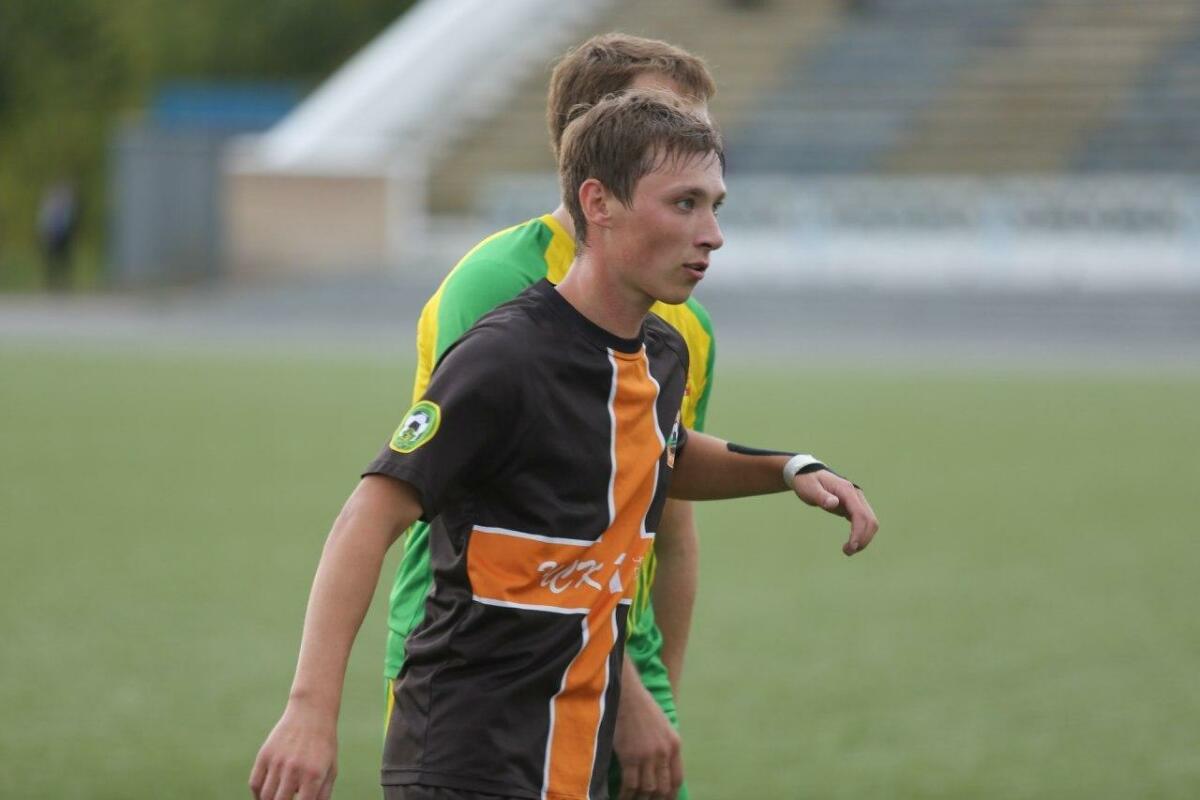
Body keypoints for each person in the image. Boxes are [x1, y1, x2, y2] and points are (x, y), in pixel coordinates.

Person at [250, 92, 879, 800]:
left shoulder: (662, 354)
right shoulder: (503, 358)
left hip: (578, 755)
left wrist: (790, 469)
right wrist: (310, 712)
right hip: (467, 757)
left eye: (715, 206)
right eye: (684, 204)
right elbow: (366, 518)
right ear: (598, 203)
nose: (712, 235)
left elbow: (663, 449)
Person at [392, 33, 718, 800]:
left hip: (616, 652)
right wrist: (625, 695)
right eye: (661, 118)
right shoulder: (498, 288)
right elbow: (512, 522)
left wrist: (657, 691)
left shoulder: (683, 326)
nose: (691, 144)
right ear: (590, 141)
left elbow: (667, 514)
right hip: (486, 650)